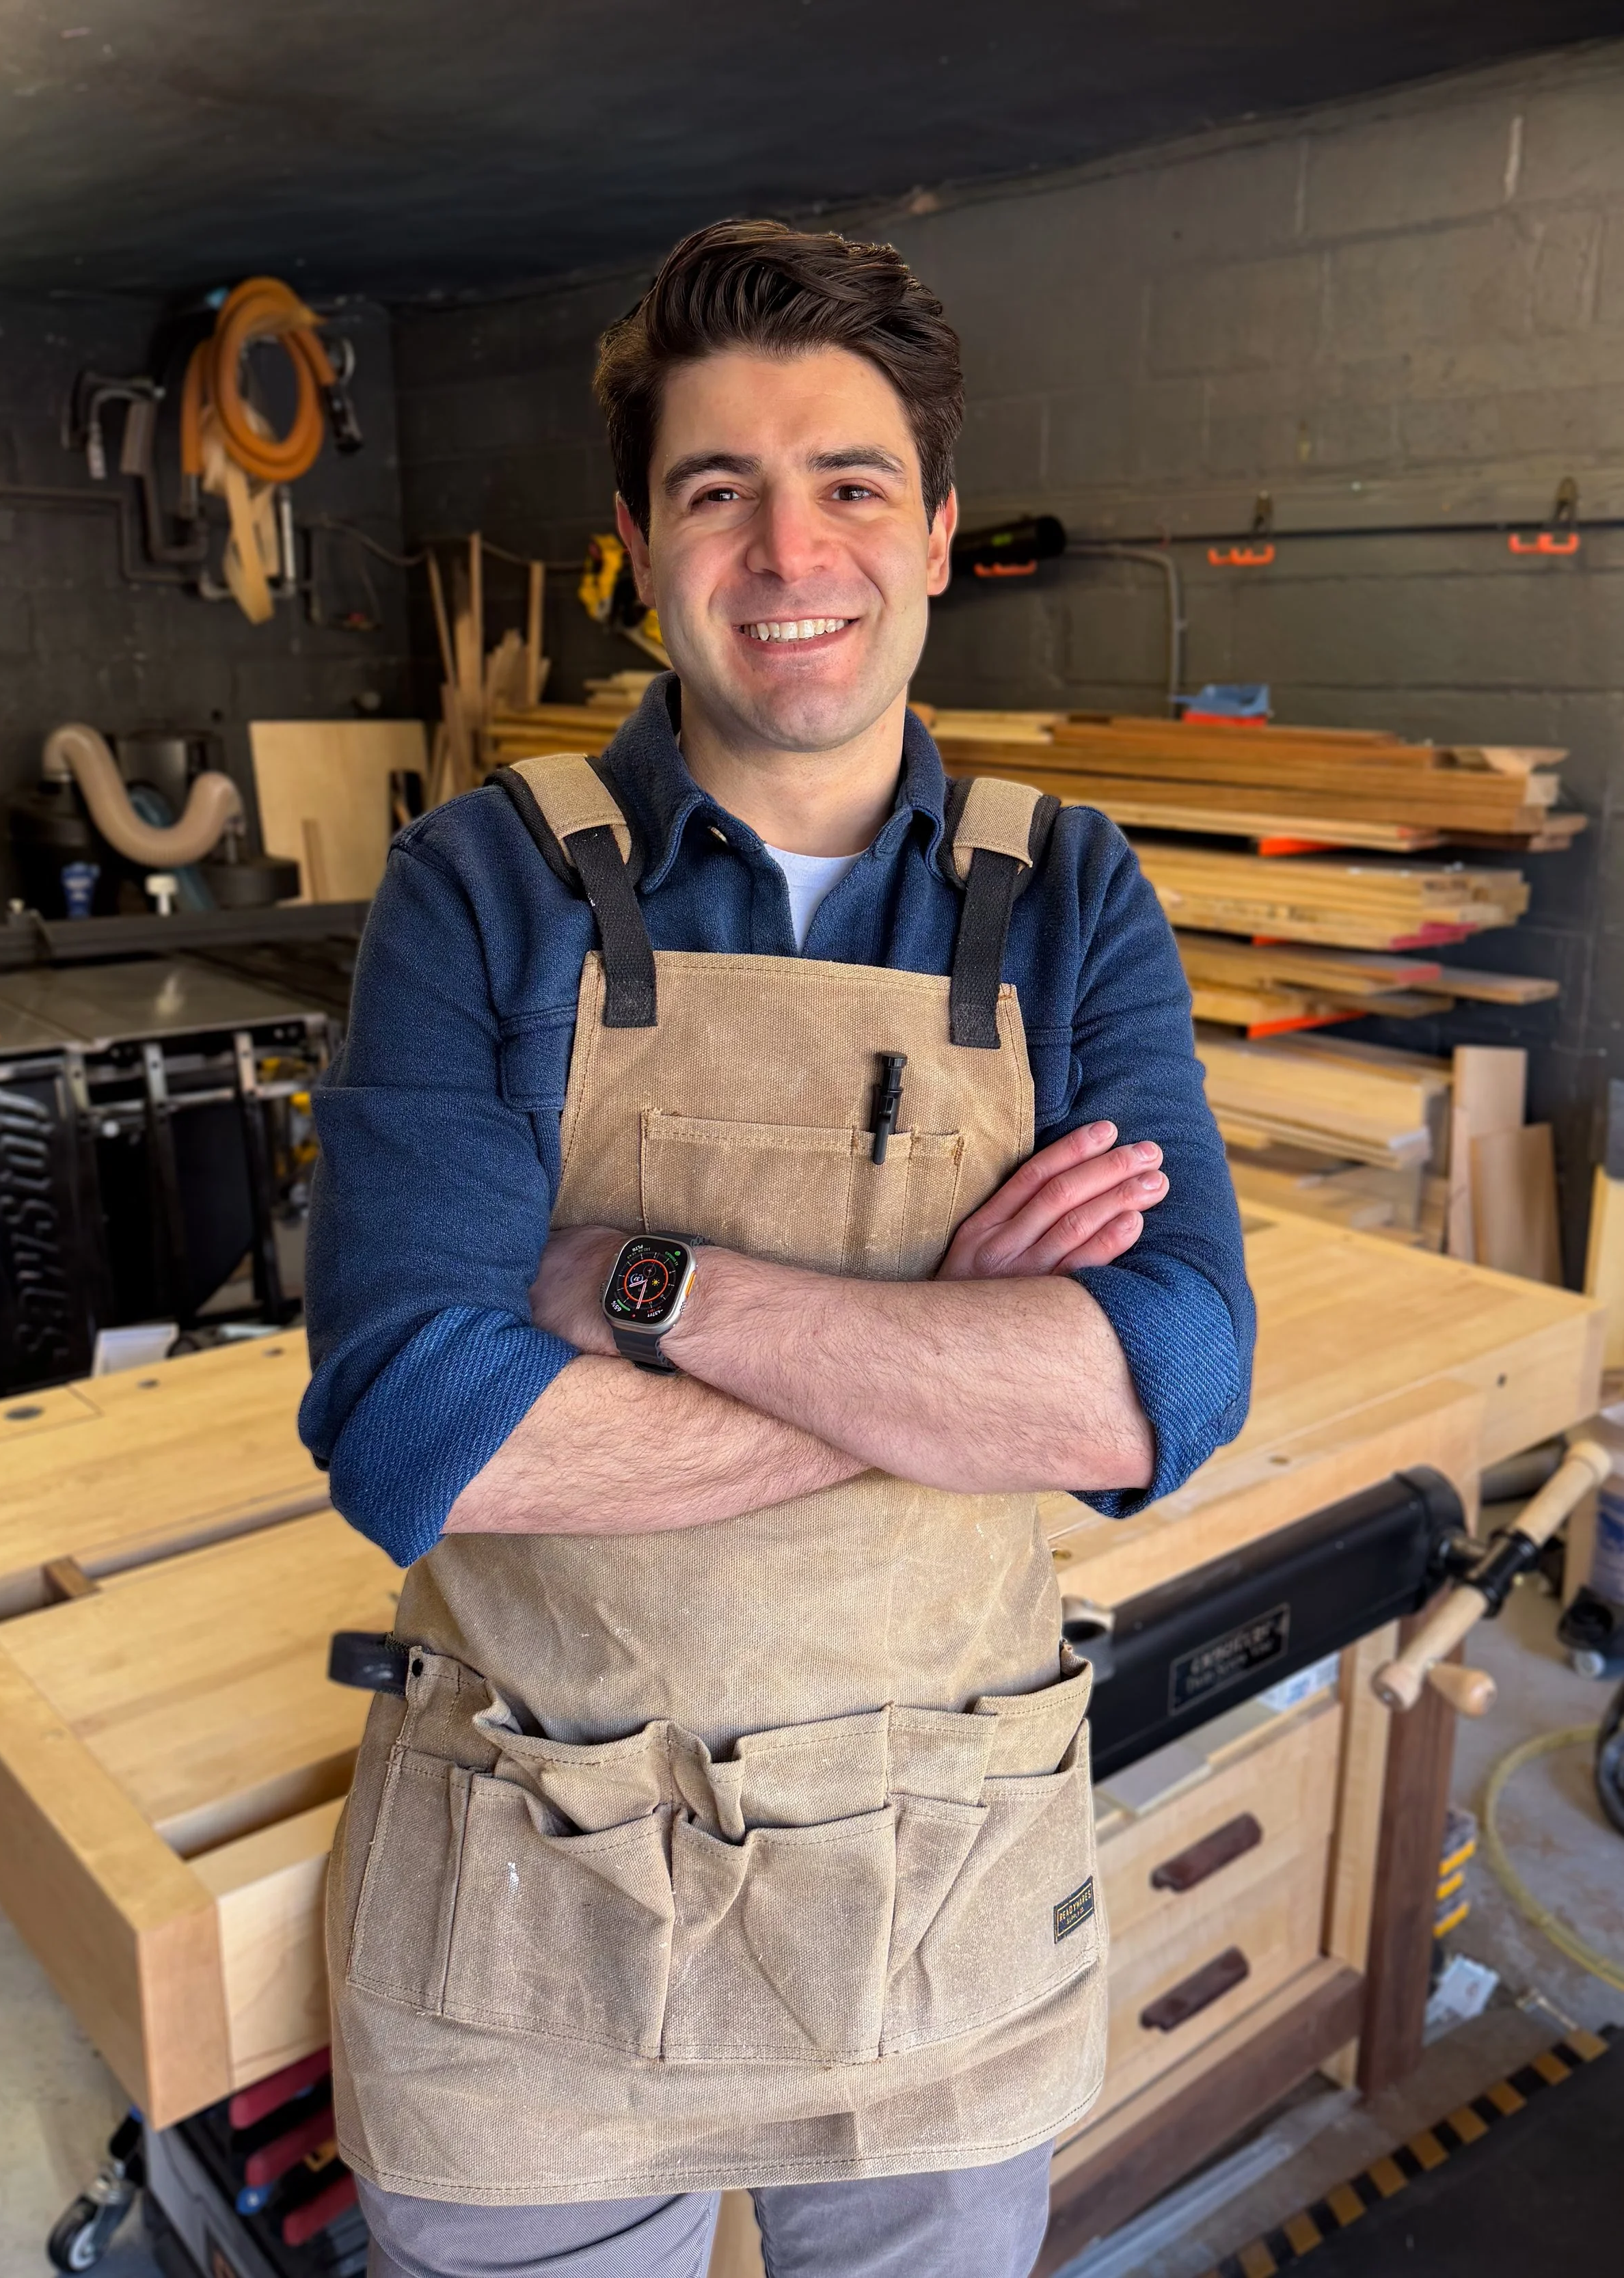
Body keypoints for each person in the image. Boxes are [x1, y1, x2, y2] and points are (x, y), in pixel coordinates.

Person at [301, 219, 1254, 2278]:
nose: (785, 547)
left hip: (942, 1925)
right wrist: (949, 1364)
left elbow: (1159, 1380)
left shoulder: (1071, 898)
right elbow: (421, 1430)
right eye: (716, 489)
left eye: (848, 485)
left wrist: (653, 1289)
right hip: (528, 1939)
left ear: (933, 538)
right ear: (636, 545)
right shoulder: (479, 889)